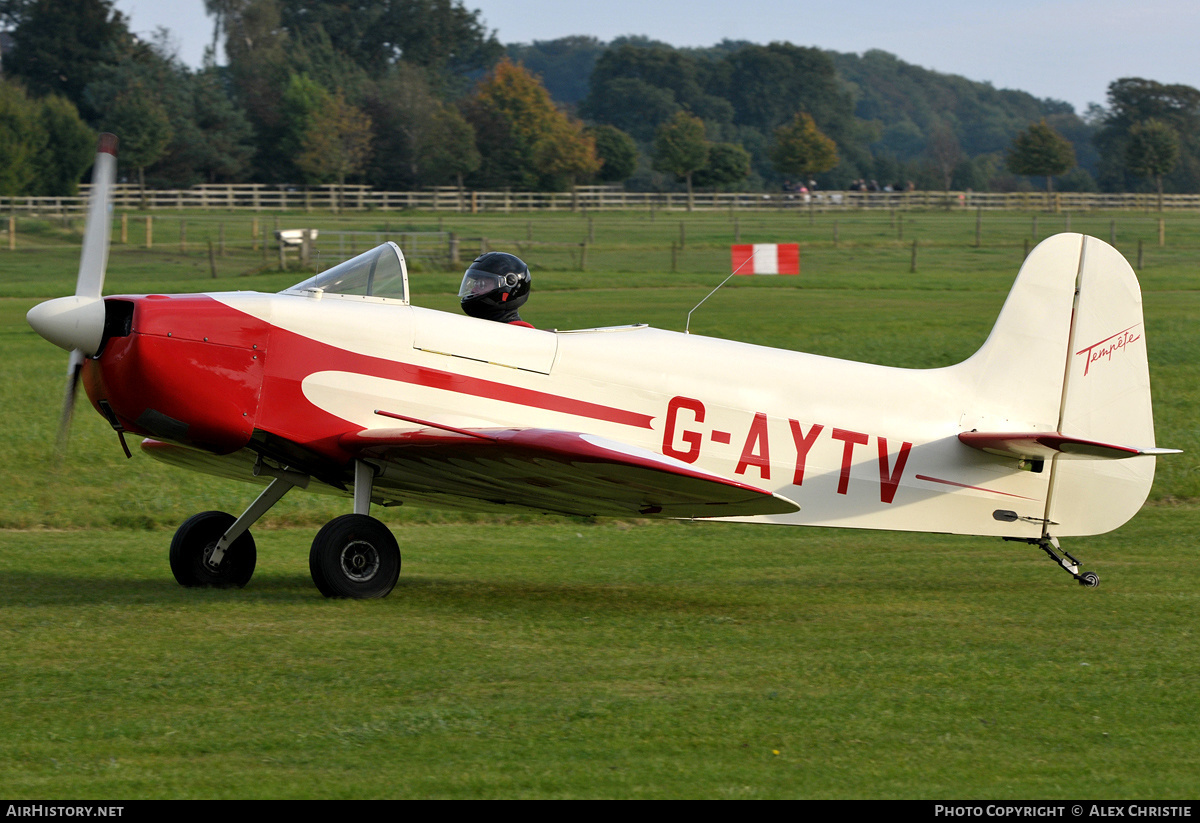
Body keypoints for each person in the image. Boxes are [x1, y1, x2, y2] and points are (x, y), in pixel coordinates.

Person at [458, 251, 534, 327]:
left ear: (509, 284)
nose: (473, 290)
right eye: (475, 284)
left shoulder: (518, 333)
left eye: (482, 284)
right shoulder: (482, 327)